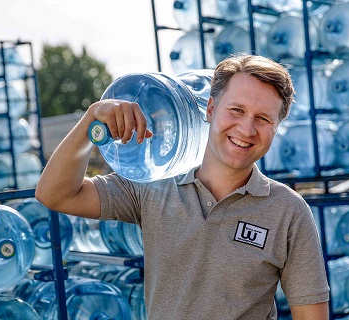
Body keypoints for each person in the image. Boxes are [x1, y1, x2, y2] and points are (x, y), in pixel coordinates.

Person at [35, 53, 330, 319]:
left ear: (276, 128)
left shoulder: (288, 211)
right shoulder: (153, 186)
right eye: (236, 110)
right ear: (211, 109)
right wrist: (91, 120)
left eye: (263, 118)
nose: (247, 129)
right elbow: (55, 194)